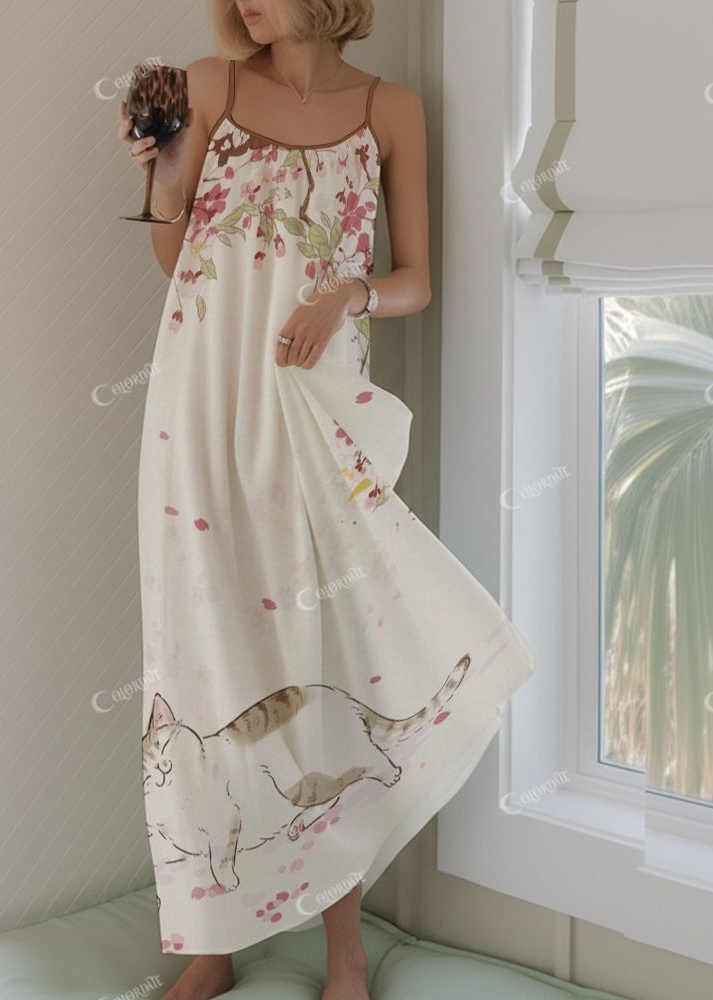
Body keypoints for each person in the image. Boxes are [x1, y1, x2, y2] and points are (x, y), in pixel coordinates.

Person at [118, 2, 536, 998]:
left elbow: (416, 281)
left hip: (316, 413)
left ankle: (343, 947)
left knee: (323, 657)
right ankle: (210, 942)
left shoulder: (391, 108)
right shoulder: (210, 85)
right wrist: (159, 169)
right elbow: (177, 260)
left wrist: (348, 293)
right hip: (201, 410)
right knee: (202, 660)